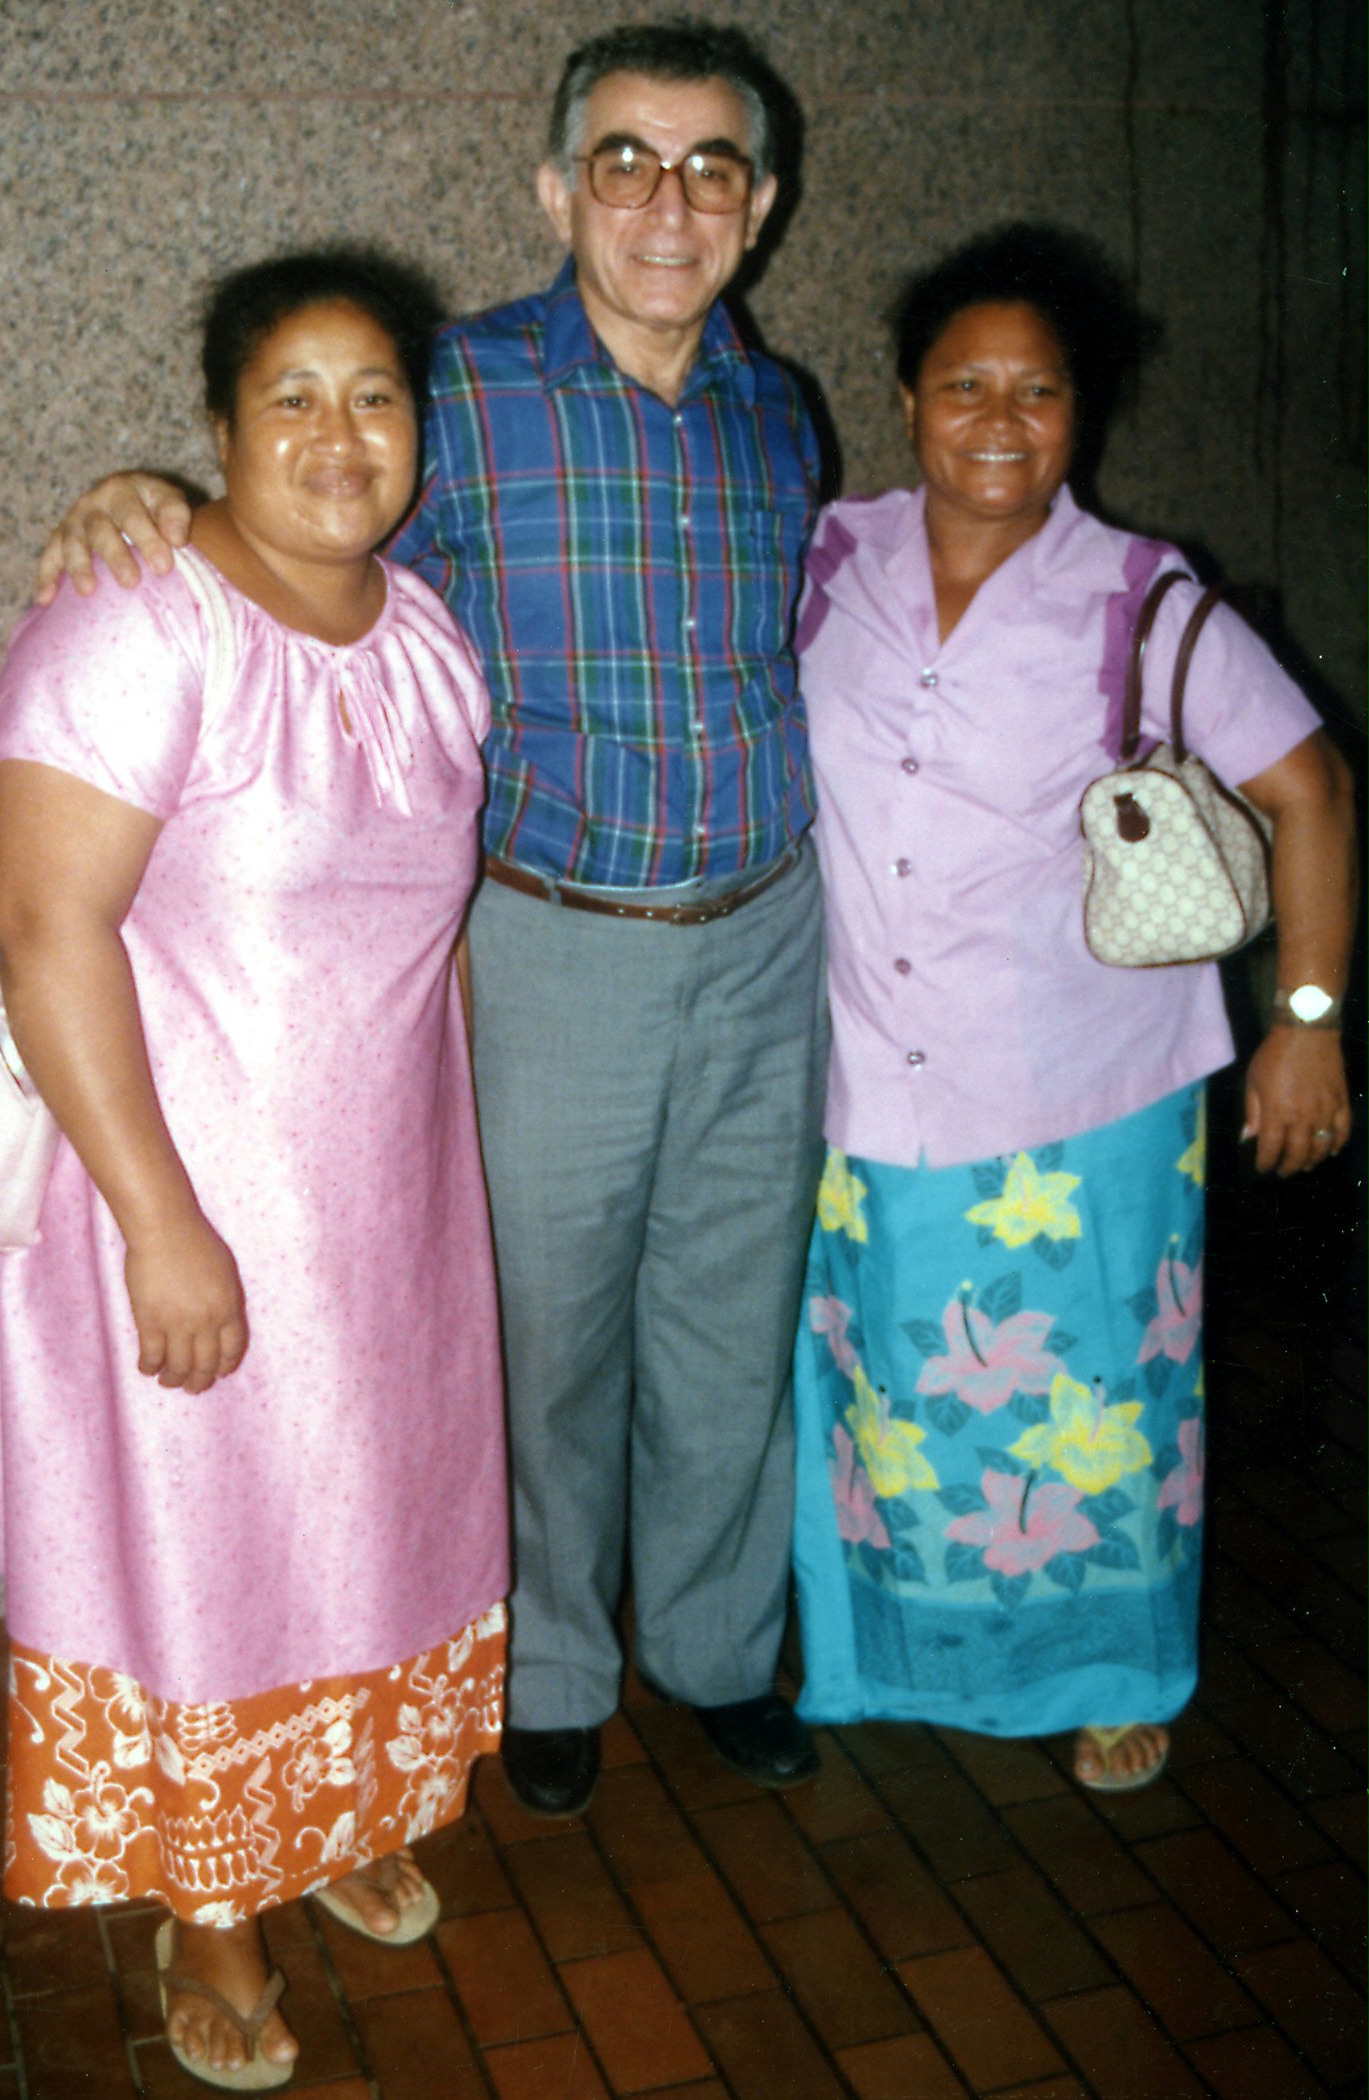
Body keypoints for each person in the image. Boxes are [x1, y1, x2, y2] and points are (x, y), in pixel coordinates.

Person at [34, 21, 828, 1817]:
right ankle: (546, 1671)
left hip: (767, 927)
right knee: (541, 1336)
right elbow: (298, 519)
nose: (667, 202)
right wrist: (146, 500)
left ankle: (715, 1648)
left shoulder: (777, 409)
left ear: (760, 206)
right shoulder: (453, 390)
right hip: (553, 936)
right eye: (624, 160)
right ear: (557, 190)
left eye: (709, 168)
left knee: (732, 1317)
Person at [0, 250, 508, 2088]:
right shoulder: (136, 625)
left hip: (386, 1208)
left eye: (374, 394)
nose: (337, 433)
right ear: (215, 427)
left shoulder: (427, 637)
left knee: (368, 1523)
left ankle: (336, 1808)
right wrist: (160, 1225)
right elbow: (42, 927)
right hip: (180, 1201)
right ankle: (213, 1905)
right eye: (290, 394)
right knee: (220, 1549)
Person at [789, 224, 1356, 1793]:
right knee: (890, 1397)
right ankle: (885, 1656)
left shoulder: (1136, 597)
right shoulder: (824, 562)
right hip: (869, 1085)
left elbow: (1308, 792)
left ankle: (1114, 1673)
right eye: (961, 383)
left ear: (1077, 413)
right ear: (905, 397)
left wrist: (1307, 1018)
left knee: (1098, 1404)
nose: (997, 419)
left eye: (1035, 390)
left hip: (1086, 1099)